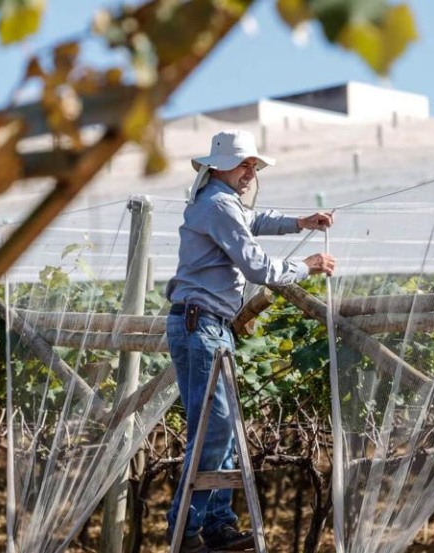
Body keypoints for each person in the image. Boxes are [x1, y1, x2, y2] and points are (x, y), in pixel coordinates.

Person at [165, 129, 335, 551]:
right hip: (200, 325)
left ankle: (216, 524)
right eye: (245, 164)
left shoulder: (221, 203)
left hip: (209, 325)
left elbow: (252, 221)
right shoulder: (219, 205)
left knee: (220, 427)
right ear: (220, 165)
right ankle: (185, 528)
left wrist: (299, 222)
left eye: (253, 166)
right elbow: (257, 267)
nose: (250, 172)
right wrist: (306, 265)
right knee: (215, 428)